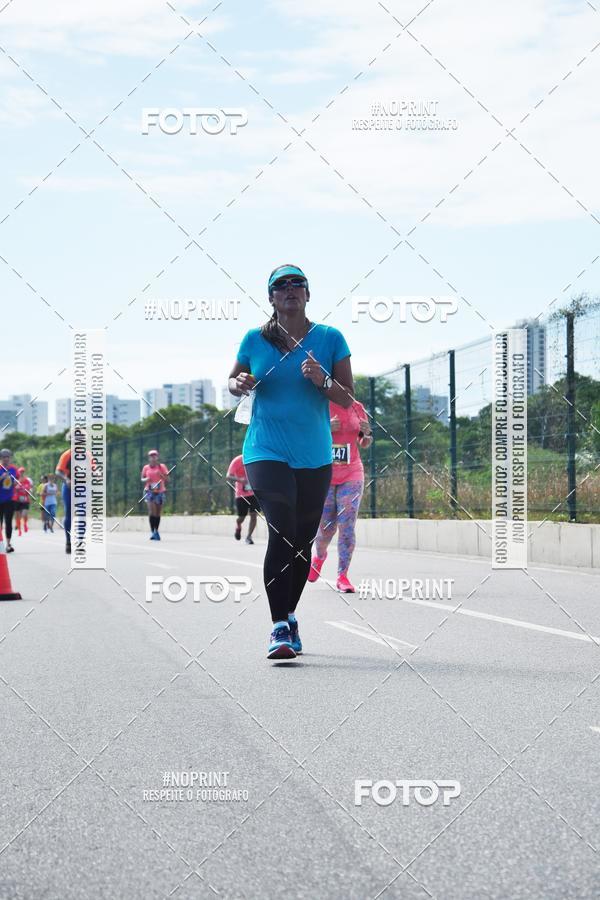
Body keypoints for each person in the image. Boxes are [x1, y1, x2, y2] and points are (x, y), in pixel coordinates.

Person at [228, 264, 354, 660]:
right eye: (280, 285)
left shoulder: (330, 338)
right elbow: (232, 381)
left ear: (307, 294)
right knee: (282, 529)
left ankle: (290, 615)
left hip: (314, 455)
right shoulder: (255, 339)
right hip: (264, 449)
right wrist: (239, 383)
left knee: (302, 541)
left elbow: (348, 398)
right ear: (271, 297)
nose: (289, 289)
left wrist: (322, 380)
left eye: (297, 283)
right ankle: (278, 626)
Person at [308, 400, 373, 592]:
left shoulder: (357, 407)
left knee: (347, 525)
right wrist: (326, 428)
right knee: (326, 527)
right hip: (325, 473)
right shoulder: (319, 404)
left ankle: (342, 576)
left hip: (352, 472)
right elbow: (306, 439)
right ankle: (319, 556)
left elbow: (364, 442)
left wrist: (367, 435)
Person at [226, 453, 260, 544]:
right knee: (241, 517)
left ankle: (249, 537)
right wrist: (240, 480)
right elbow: (228, 476)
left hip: (253, 493)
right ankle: (238, 525)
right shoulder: (237, 461)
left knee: (254, 515)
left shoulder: (255, 459)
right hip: (241, 495)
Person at [141, 449, 169, 540]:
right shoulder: (146, 468)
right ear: (149, 458)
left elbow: (167, 479)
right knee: (151, 511)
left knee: (157, 513)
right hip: (149, 491)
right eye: (151, 456)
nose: (153, 458)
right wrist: (146, 479)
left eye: (155, 456)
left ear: (157, 457)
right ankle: (153, 531)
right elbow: (142, 478)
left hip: (160, 491)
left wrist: (161, 476)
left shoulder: (162, 467)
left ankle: (156, 531)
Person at [56, 434, 72, 554]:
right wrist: (66, 480)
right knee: (69, 513)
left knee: (82, 514)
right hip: (69, 487)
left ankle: (80, 541)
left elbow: (94, 468)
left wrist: (97, 473)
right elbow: (58, 471)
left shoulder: (87, 455)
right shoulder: (67, 455)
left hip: (83, 488)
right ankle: (68, 541)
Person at [0, 448, 17, 552]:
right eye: (4, 457)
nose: (6, 459)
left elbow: (17, 481)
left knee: (8, 522)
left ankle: (8, 544)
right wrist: (2, 477)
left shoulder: (13, 469)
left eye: (8, 457)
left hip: (10, 499)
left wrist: (16, 483)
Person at [13, 467, 33, 537]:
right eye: (20, 472)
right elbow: (12, 488)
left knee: (24, 514)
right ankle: (19, 530)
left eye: (23, 472)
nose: (21, 473)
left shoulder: (27, 480)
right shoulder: (15, 480)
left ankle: (25, 524)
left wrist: (28, 491)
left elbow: (30, 489)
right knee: (17, 515)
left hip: (25, 499)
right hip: (17, 500)